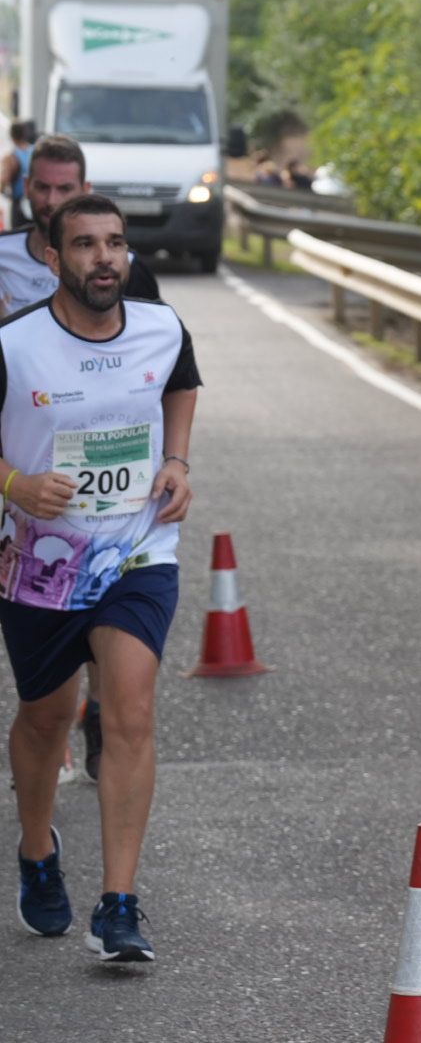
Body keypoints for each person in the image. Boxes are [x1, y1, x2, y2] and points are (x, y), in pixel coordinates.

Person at [4, 193, 200, 962]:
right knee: (47, 719)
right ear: (51, 257)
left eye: (115, 243)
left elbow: (180, 383)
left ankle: (119, 903)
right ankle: (35, 851)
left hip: (138, 551)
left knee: (130, 712)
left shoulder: (161, 324)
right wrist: (16, 485)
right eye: (84, 244)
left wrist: (177, 460)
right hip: (42, 560)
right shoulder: (15, 346)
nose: (104, 258)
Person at [0, 134, 162, 782]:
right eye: (41, 187)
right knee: (44, 629)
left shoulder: (129, 274)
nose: (50, 198)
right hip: (23, 468)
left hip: (113, 496)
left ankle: (99, 709)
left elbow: (170, 369)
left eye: (66, 189)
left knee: (110, 608)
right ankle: (51, 732)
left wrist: (174, 459)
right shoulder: (4, 257)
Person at [1, 120, 37, 231]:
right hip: (36, 201)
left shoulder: (12, 157)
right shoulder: (36, 151)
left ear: (11, 136)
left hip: (19, 204)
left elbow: (3, 180)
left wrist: (4, 191)